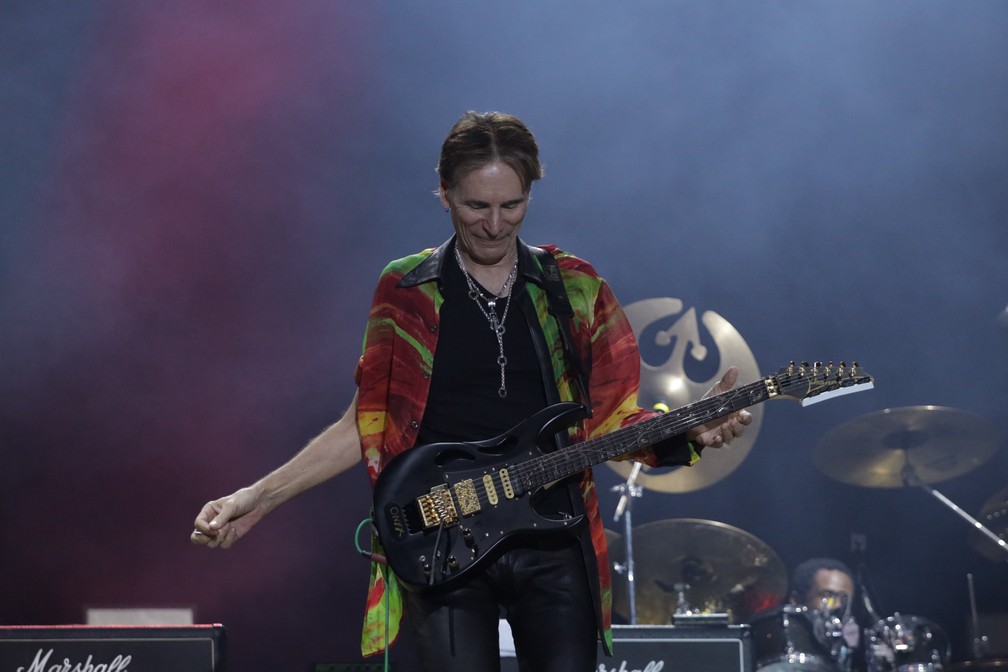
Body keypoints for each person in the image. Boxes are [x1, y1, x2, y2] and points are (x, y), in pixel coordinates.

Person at [191, 110, 752, 672]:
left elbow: (610, 423)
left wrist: (687, 428)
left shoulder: (576, 288)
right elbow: (362, 425)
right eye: (475, 206)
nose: (494, 224)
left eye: (512, 205)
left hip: (554, 539)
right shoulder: (406, 288)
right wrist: (257, 500)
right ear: (443, 193)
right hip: (443, 536)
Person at [789, 557, 865, 672]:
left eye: (844, 599)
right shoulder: (781, 651)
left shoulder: (852, 653)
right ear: (796, 600)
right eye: (827, 595)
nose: (838, 605)